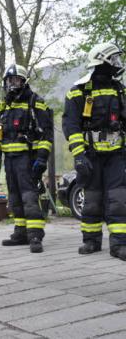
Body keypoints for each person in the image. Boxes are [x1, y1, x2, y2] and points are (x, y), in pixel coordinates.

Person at [62, 42, 126, 261]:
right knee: (92, 199)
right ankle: (91, 241)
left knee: (118, 199)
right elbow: (70, 125)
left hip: (116, 155)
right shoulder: (78, 91)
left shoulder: (119, 89)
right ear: (102, 61)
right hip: (90, 155)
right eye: (114, 59)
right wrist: (79, 155)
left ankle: (119, 245)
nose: (118, 63)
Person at [0, 64, 54, 253]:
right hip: (9, 160)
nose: (11, 84)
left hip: (27, 159)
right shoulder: (5, 107)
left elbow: (46, 135)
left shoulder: (35, 102)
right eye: (9, 80)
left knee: (29, 197)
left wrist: (41, 158)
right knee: (15, 197)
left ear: (24, 82)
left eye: (15, 80)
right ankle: (21, 233)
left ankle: (35, 235)